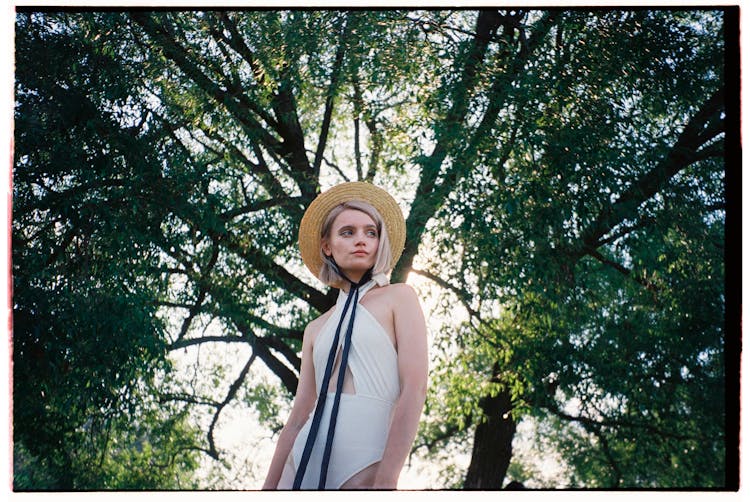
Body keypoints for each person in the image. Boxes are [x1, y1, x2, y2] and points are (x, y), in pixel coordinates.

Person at [262, 182, 428, 490]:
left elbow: (415, 389)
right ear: (327, 246)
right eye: (347, 232)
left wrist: (387, 479)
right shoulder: (315, 328)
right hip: (300, 463)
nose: (361, 240)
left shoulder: (400, 298)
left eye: (371, 232)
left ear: (380, 243)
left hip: (365, 461)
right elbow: (298, 418)